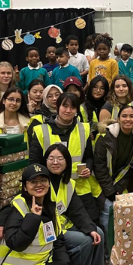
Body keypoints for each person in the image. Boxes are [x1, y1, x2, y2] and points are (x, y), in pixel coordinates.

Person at [0, 164, 79, 265]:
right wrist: (33, 218)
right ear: (25, 186)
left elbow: (58, 241)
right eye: (33, 181)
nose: (39, 184)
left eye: (43, 180)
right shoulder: (19, 206)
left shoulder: (50, 206)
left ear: (49, 183)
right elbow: (16, 243)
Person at [43, 144, 103, 265]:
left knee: (99, 232)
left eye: (60, 159)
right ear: (45, 161)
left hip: (63, 226)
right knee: (84, 241)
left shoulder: (68, 183)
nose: (55, 162)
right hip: (48, 231)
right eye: (51, 158)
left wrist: (90, 228)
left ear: (67, 162)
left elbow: (78, 211)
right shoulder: (40, 182)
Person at [30, 93, 100, 222]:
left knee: (92, 224)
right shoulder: (41, 131)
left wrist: (88, 169)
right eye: (65, 106)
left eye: (73, 107)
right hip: (52, 190)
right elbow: (34, 164)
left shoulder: (84, 129)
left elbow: (89, 157)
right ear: (57, 107)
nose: (68, 110)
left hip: (80, 188)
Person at [94, 105, 133, 241]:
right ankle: (108, 251)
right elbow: (99, 167)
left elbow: (131, 168)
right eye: (124, 116)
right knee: (108, 211)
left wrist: (118, 189)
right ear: (118, 119)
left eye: (132, 116)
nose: (128, 119)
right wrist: (110, 191)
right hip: (102, 184)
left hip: (121, 185)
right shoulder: (104, 137)